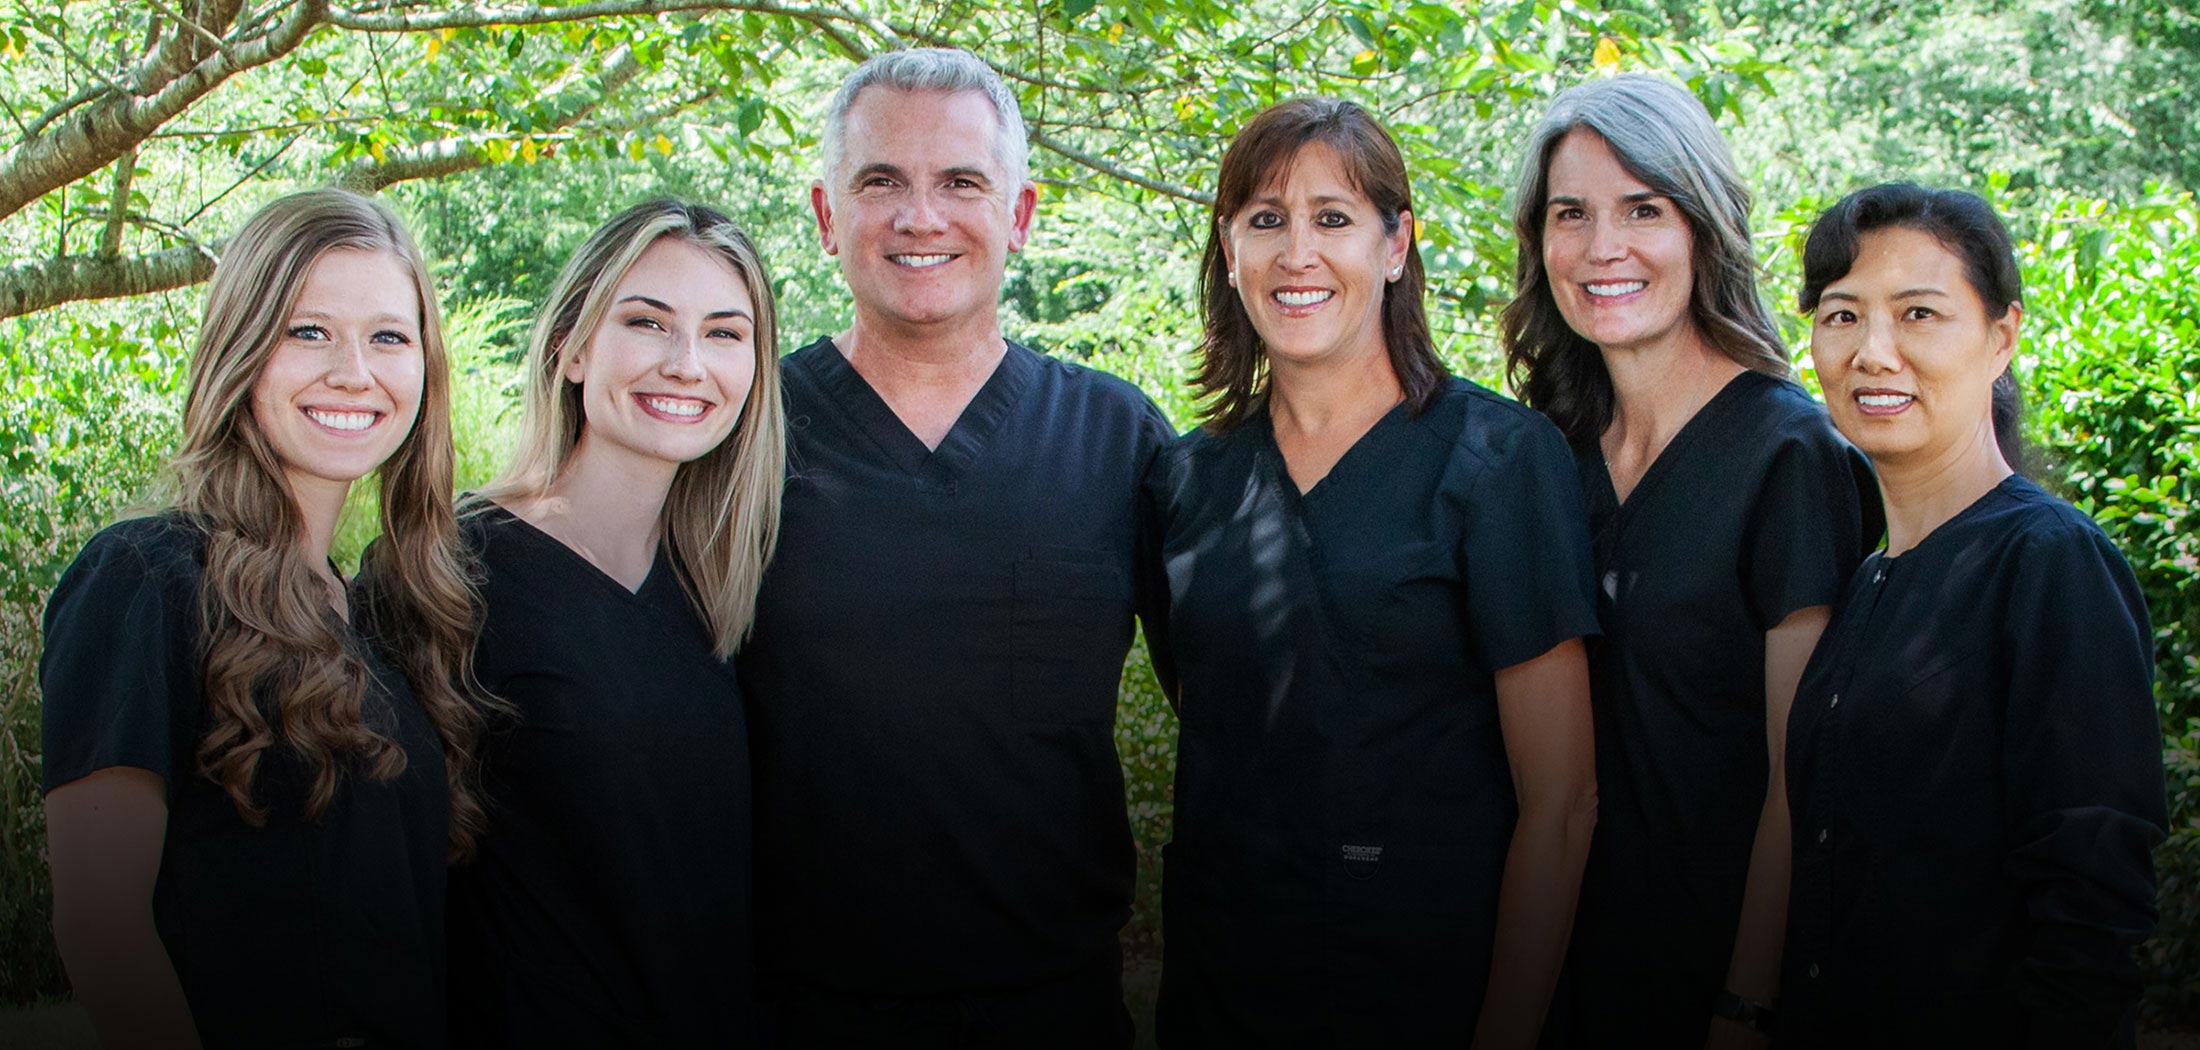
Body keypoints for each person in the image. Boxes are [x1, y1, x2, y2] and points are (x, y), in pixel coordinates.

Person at [736, 47, 1174, 1047]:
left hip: (1052, 1003)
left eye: (961, 183)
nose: (920, 217)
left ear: (1019, 217)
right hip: (792, 1004)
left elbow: (1243, 699)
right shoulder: (741, 435)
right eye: (880, 181)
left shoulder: (1117, 439)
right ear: (824, 215)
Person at [1147, 96, 1600, 1049]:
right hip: (1226, 987)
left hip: (1433, 986)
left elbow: (1562, 801)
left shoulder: (1500, 461)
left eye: (1334, 219)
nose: (1296, 253)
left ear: (1396, 245)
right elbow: (1220, 716)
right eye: (1265, 220)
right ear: (1229, 253)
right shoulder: (1188, 477)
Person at [40, 187, 484, 1050]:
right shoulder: (145, 580)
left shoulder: (383, 620)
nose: (354, 370)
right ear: (241, 350)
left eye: (389, 337)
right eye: (308, 331)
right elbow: (101, 927)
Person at [1500, 74, 1881, 1048]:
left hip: (1707, 984)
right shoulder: (1545, 452)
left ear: (1702, 226)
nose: (1600, 248)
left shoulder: (1789, 456)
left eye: (1643, 209)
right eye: (1569, 214)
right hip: (1542, 970)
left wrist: (1744, 1003)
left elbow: (1802, 784)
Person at [1782, 183, 2165, 1048]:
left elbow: (2092, 909)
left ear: (2002, 338)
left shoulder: (2049, 565)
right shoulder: (1868, 579)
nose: (1873, 352)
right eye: (1841, 316)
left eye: (1919, 313)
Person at [402, 199, 783, 1046]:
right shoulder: (451, 570)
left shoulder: (725, 587)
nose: (687, 364)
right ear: (573, 348)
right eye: (648, 322)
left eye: (725, 334)